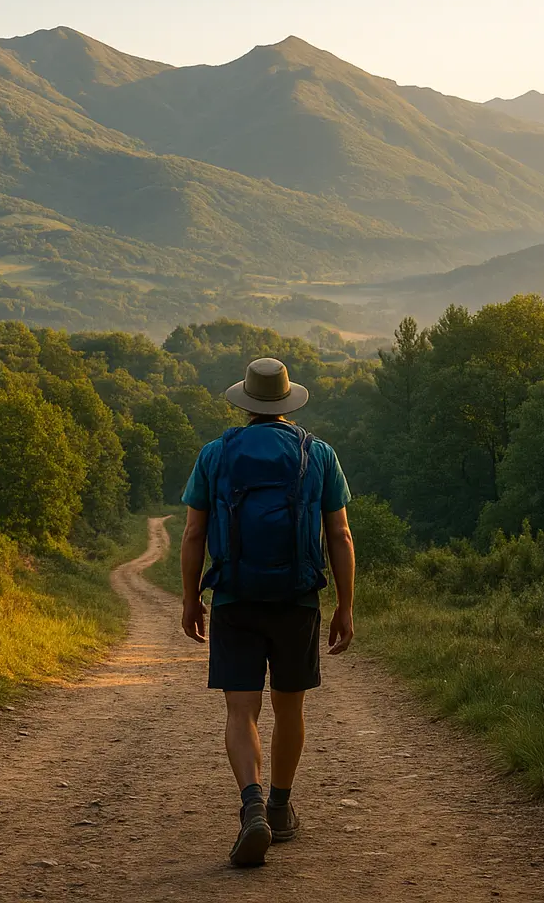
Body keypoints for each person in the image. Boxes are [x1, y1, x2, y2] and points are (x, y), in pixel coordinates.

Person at [178, 356, 357, 868]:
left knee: (241, 710)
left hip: (234, 597)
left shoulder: (215, 454)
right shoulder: (318, 454)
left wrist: (192, 597)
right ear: (287, 401)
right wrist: (344, 606)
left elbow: (193, 533)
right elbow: (340, 536)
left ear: (244, 403)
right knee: (290, 709)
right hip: (296, 599)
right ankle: (280, 807)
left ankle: (251, 805)